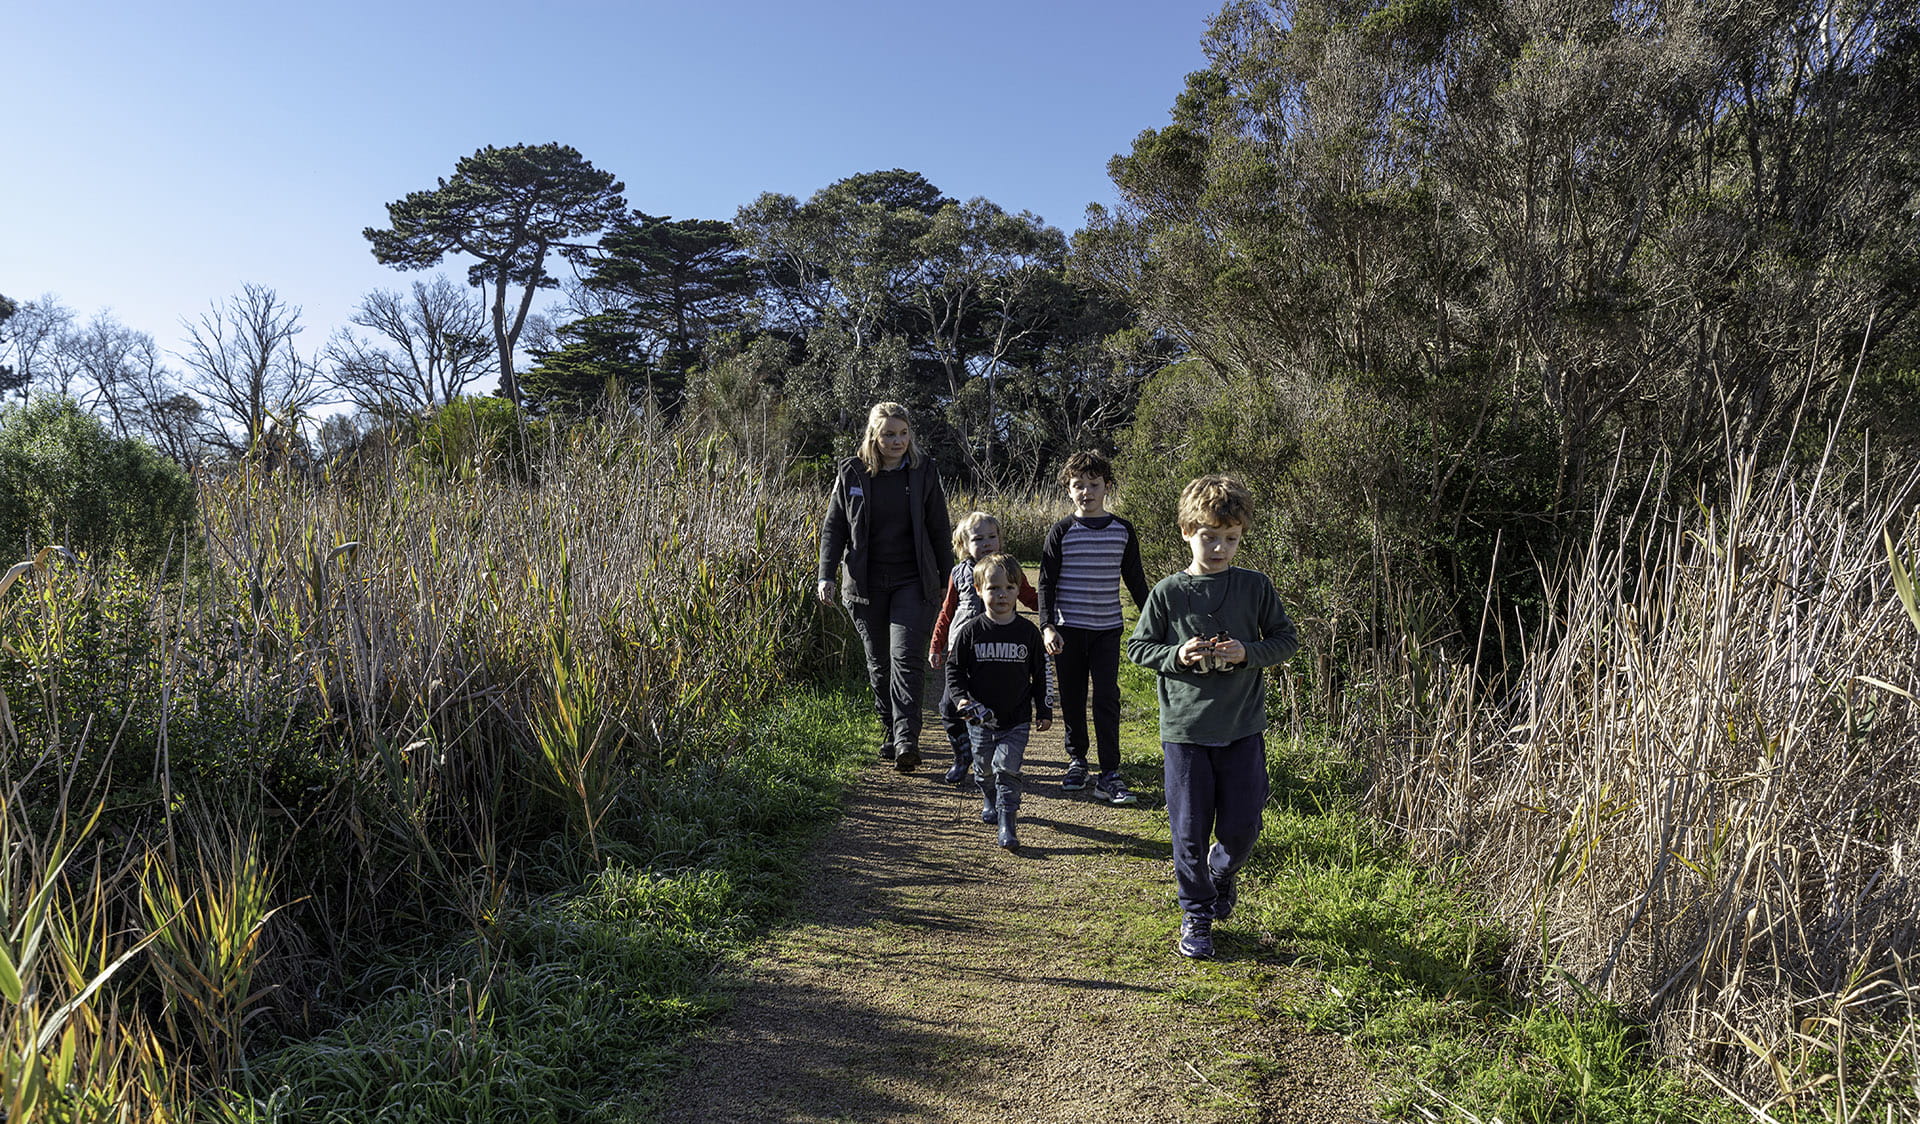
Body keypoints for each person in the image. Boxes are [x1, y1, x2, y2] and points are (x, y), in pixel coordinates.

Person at [1125, 475, 1298, 960]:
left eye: (1231, 537)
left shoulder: (1254, 587)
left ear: (1241, 535)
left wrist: (1248, 652)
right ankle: (1197, 913)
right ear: (1186, 531)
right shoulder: (1167, 592)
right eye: (1209, 536)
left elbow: (1286, 639)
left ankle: (1223, 872)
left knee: (1243, 827)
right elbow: (1138, 647)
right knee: (1188, 831)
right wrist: (1177, 655)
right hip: (1185, 732)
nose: (1220, 547)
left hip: (1242, 728)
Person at [818, 402, 954, 772]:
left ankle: (908, 738)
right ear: (874, 436)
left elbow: (940, 529)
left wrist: (949, 580)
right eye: (889, 434)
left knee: (905, 658)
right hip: (866, 584)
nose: (897, 441)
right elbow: (834, 528)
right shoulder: (852, 472)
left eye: (903, 433)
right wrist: (826, 575)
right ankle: (891, 732)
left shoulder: (925, 472)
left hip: (913, 580)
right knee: (878, 664)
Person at [1037, 451, 1151, 804]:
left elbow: (1135, 579)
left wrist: (1153, 619)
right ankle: (1077, 761)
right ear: (1068, 490)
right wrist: (1047, 626)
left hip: (1106, 630)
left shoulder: (1122, 530)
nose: (1086, 492)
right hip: (1069, 631)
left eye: (1093, 485)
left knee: (1106, 698)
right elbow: (1046, 583)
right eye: (1078, 486)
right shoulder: (1061, 531)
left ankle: (1110, 772)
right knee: (1072, 698)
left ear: (1107, 487)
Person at [945, 552, 1053, 850]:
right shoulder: (971, 632)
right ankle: (988, 796)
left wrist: (1043, 708)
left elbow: (1041, 673)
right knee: (984, 769)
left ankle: (1008, 822)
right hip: (981, 720)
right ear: (979, 590)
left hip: (1016, 719)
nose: (1002, 594)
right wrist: (962, 700)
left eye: (1009, 587)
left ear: (1019, 590)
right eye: (993, 588)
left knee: (1008, 768)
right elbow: (953, 669)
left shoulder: (1028, 633)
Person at [930, 512, 1040, 784]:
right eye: (978, 538)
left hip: (996, 652)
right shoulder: (959, 573)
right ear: (964, 544)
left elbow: (1028, 597)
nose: (987, 542)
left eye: (992, 536)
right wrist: (937, 645)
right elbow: (947, 612)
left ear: (1000, 539)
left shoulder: (1009, 568)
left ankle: (991, 753)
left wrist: (1053, 612)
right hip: (962, 650)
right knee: (949, 706)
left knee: (996, 701)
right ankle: (962, 755)